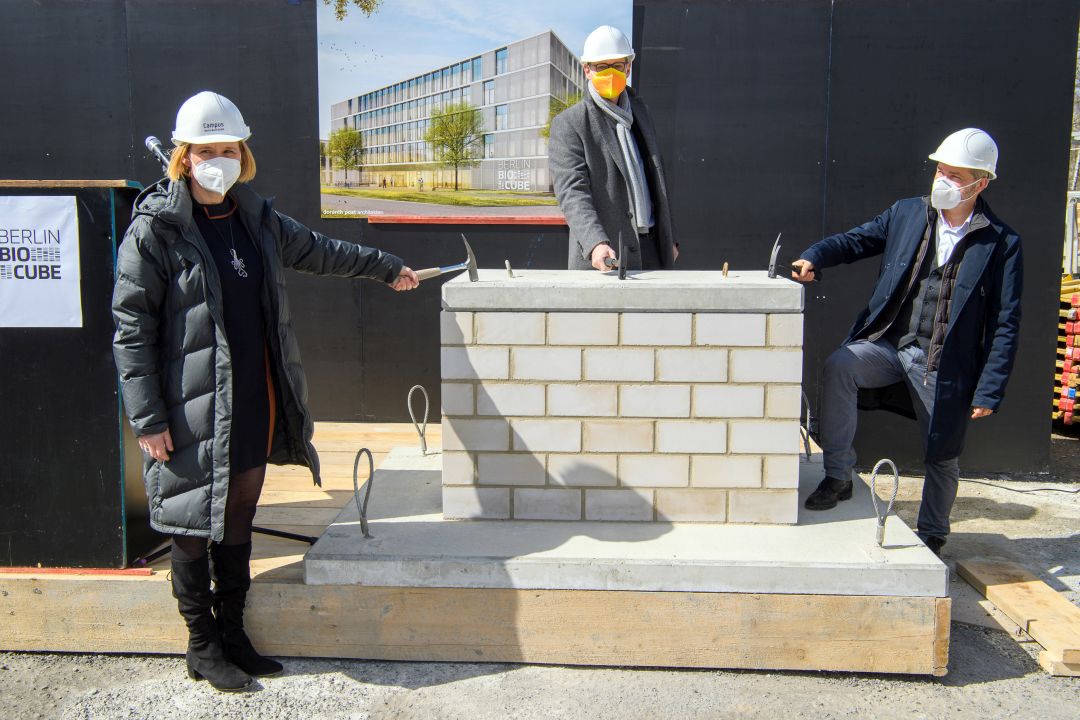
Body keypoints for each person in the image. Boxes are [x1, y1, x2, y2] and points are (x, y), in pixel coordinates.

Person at [111, 91, 420, 691]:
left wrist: (385, 267)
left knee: (237, 518)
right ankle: (201, 646)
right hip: (188, 407)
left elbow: (322, 251)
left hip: (253, 399)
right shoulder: (156, 230)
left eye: (229, 149)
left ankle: (234, 634)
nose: (218, 160)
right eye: (206, 150)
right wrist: (147, 418)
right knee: (191, 525)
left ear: (243, 154)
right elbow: (131, 328)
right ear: (184, 156)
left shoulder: (256, 218)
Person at [791, 128, 1022, 556]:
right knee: (840, 365)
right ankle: (838, 476)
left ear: (980, 183)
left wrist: (990, 387)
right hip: (890, 346)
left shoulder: (1002, 243)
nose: (943, 181)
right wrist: (816, 256)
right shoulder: (907, 213)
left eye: (955, 175)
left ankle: (933, 531)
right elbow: (856, 239)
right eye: (940, 170)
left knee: (943, 452)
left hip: (942, 363)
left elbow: (1006, 321)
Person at [550, 25, 678, 271]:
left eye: (617, 66)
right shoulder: (570, 123)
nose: (610, 73)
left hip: (653, 250)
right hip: (606, 257)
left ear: (628, 67)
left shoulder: (641, 113)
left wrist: (670, 236)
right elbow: (572, 193)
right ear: (587, 69)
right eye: (601, 67)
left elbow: (656, 179)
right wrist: (596, 242)